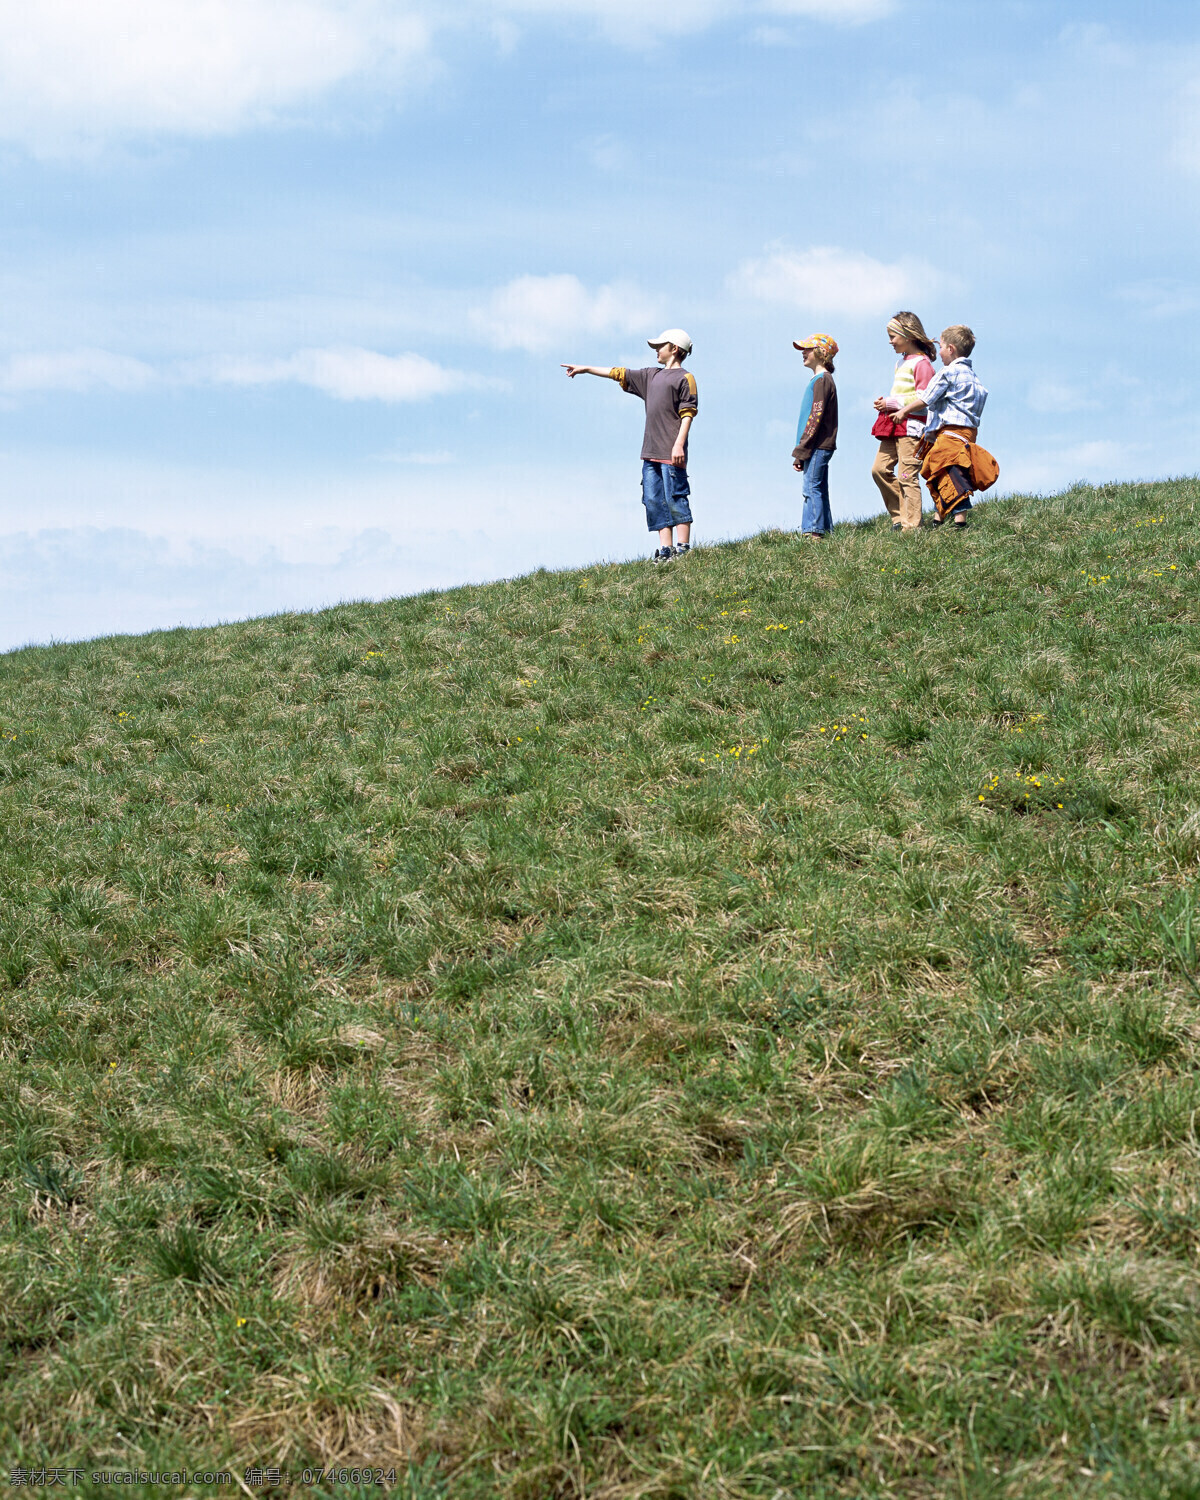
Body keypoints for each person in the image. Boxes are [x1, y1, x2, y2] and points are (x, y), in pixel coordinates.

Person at [562, 329, 698, 562]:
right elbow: (617, 372)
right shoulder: (650, 376)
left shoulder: (685, 378)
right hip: (650, 453)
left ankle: (683, 548)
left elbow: (688, 414)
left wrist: (679, 445)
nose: (656, 350)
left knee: (675, 496)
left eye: (660, 346)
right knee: (654, 499)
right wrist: (586, 369)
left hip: (671, 452)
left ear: (674, 349)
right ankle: (666, 551)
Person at [892, 325, 995, 528]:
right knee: (939, 469)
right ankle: (939, 517)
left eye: (940, 347)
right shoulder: (974, 377)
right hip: (969, 433)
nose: (938, 353)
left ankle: (960, 519)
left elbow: (926, 398)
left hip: (949, 432)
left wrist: (904, 411)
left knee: (946, 469)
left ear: (951, 349)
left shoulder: (948, 372)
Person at [871, 312, 937, 532]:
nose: (890, 341)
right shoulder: (900, 363)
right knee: (879, 469)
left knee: (907, 475)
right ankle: (899, 517)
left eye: (893, 336)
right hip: (894, 425)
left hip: (912, 428)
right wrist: (886, 403)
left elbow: (925, 398)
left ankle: (912, 526)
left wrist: (891, 402)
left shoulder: (922, 363)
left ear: (907, 335)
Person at [791, 334, 838, 539]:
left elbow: (814, 418)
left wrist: (801, 449)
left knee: (811, 488)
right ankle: (825, 529)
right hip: (816, 445)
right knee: (818, 487)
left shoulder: (822, 380)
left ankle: (814, 532)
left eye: (808, 349)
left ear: (821, 353)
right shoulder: (820, 380)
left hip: (817, 445)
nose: (803, 352)